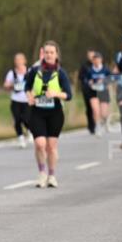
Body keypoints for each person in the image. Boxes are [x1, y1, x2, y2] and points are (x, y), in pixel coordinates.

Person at [26, 41, 73, 188]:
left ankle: (52, 176)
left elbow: (69, 95)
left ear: (56, 54)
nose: (49, 55)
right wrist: (30, 97)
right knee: (40, 144)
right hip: (37, 112)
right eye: (46, 52)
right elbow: (27, 86)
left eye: (51, 52)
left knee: (51, 147)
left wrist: (56, 93)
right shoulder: (35, 71)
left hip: (55, 113)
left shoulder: (61, 73)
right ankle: (42, 174)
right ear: (43, 54)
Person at [3, 52, 31, 148]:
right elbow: (6, 85)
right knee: (17, 119)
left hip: (27, 100)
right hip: (15, 100)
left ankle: (29, 130)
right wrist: (11, 85)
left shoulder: (30, 71)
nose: (18, 62)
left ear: (24, 61)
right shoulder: (11, 73)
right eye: (16, 60)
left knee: (26, 119)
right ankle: (21, 138)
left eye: (20, 60)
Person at [82, 52, 112, 135]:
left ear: (101, 60)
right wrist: (89, 82)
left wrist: (104, 81)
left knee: (103, 113)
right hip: (93, 92)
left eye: (98, 60)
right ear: (93, 61)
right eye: (95, 60)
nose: (96, 61)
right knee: (95, 110)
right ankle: (97, 127)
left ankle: (106, 122)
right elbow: (85, 80)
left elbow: (111, 78)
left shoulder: (105, 69)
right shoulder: (90, 70)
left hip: (103, 91)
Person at [78, 48, 97, 135]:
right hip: (87, 90)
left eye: (92, 55)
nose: (91, 57)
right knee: (89, 108)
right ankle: (91, 125)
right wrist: (86, 81)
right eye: (89, 55)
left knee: (95, 108)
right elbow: (80, 77)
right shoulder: (84, 66)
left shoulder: (97, 64)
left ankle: (97, 124)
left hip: (96, 89)